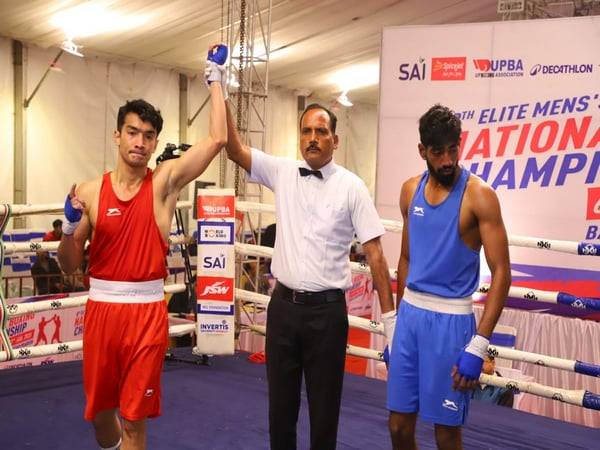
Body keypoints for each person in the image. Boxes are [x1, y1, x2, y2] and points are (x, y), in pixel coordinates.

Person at [58, 45, 228, 450]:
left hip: (147, 316)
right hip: (102, 312)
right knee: (102, 418)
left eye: (148, 136)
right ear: (118, 135)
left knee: (134, 419)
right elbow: (68, 266)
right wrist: (68, 228)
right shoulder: (89, 192)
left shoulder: (164, 184)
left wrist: (215, 79)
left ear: (155, 144)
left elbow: (218, 139)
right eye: (132, 132)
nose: (139, 142)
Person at [224, 102, 396, 450]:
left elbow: (376, 255)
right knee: (280, 412)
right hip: (283, 309)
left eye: (321, 132)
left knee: (324, 413)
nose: (313, 138)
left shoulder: (352, 187)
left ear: (335, 139)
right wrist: (220, 88)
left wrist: (391, 322)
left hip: (327, 315)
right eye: (306, 131)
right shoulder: (282, 171)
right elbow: (233, 148)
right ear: (299, 137)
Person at [387, 104, 511, 450]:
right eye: (437, 151)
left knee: (445, 433)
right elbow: (407, 257)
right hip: (411, 317)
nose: (446, 159)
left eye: (452, 149)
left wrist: (479, 344)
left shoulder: (480, 196)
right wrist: (396, 324)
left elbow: (502, 272)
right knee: (397, 427)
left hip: (452, 322)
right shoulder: (409, 191)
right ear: (422, 150)